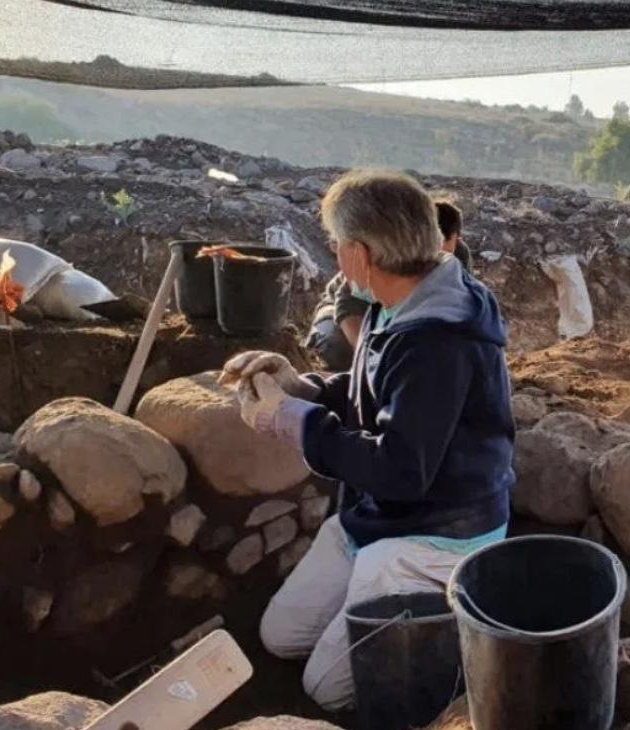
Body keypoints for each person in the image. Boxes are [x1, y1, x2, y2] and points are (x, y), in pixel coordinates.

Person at [220, 170, 514, 711]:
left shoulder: (438, 340)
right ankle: (375, 614)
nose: (334, 255)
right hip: (383, 517)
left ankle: (453, 635)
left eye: (336, 245)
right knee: (279, 637)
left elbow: (402, 470)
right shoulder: (399, 299)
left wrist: (295, 421)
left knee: (325, 690)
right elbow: (375, 395)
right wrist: (299, 385)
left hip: (437, 535)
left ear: (358, 254)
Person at [304, 199, 472, 370]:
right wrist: (370, 360)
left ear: (456, 240)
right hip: (345, 308)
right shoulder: (389, 252)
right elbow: (348, 304)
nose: (432, 255)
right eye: (429, 246)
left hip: (396, 313)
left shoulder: (458, 259)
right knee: (338, 349)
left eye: (440, 247)